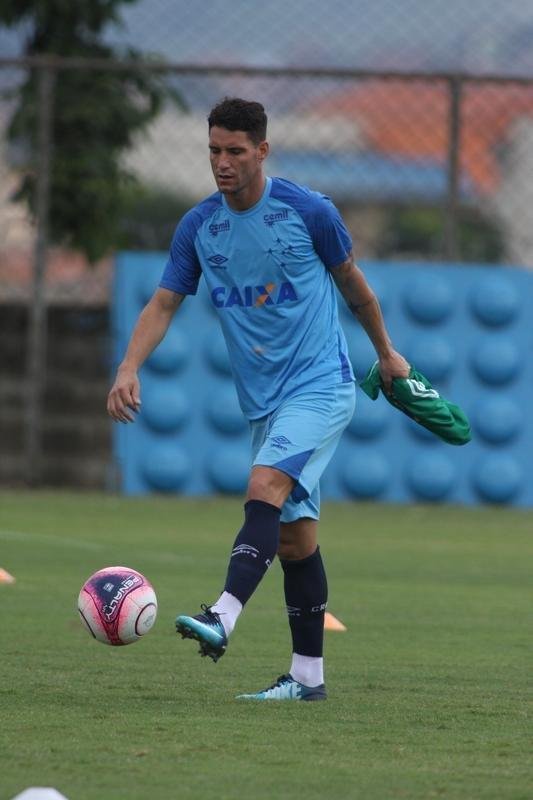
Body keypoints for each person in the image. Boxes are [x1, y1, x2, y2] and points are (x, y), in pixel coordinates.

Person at [107, 97, 410, 701]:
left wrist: (386, 352)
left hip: (321, 385)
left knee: (263, 485)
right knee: (296, 540)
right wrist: (127, 366)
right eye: (214, 151)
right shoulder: (200, 227)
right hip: (264, 402)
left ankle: (222, 614)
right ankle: (307, 679)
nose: (222, 162)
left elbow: (356, 288)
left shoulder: (309, 211)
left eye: (235, 151)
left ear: (262, 151)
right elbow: (164, 302)